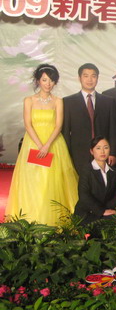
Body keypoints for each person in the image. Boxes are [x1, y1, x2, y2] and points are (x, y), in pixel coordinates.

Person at [5, 64, 79, 224]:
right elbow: (28, 125)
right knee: (33, 182)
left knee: (52, 182)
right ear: (38, 80)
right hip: (33, 144)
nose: (48, 83)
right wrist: (39, 145)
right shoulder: (29, 100)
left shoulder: (58, 101)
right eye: (45, 80)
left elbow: (58, 126)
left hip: (54, 144)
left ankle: (53, 221)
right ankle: (31, 219)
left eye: (51, 80)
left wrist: (47, 146)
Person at [62, 63, 116, 173]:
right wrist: (67, 154)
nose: (89, 79)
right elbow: (65, 131)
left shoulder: (108, 101)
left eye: (93, 76)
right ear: (79, 78)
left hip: (102, 153)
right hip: (78, 153)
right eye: (86, 76)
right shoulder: (68, 102)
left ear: (97, 78)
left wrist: (113, 153)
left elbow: (113, 130)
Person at [73, 136, 116, 227]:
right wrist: (102, 211)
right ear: (92, 151)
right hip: (87, 213)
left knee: (114, 220)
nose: (102, 151)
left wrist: (109, 210)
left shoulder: (114, 172)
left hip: (107, 212)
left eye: (106, 148)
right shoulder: (86, 170)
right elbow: (84, 195)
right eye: (98, 148)